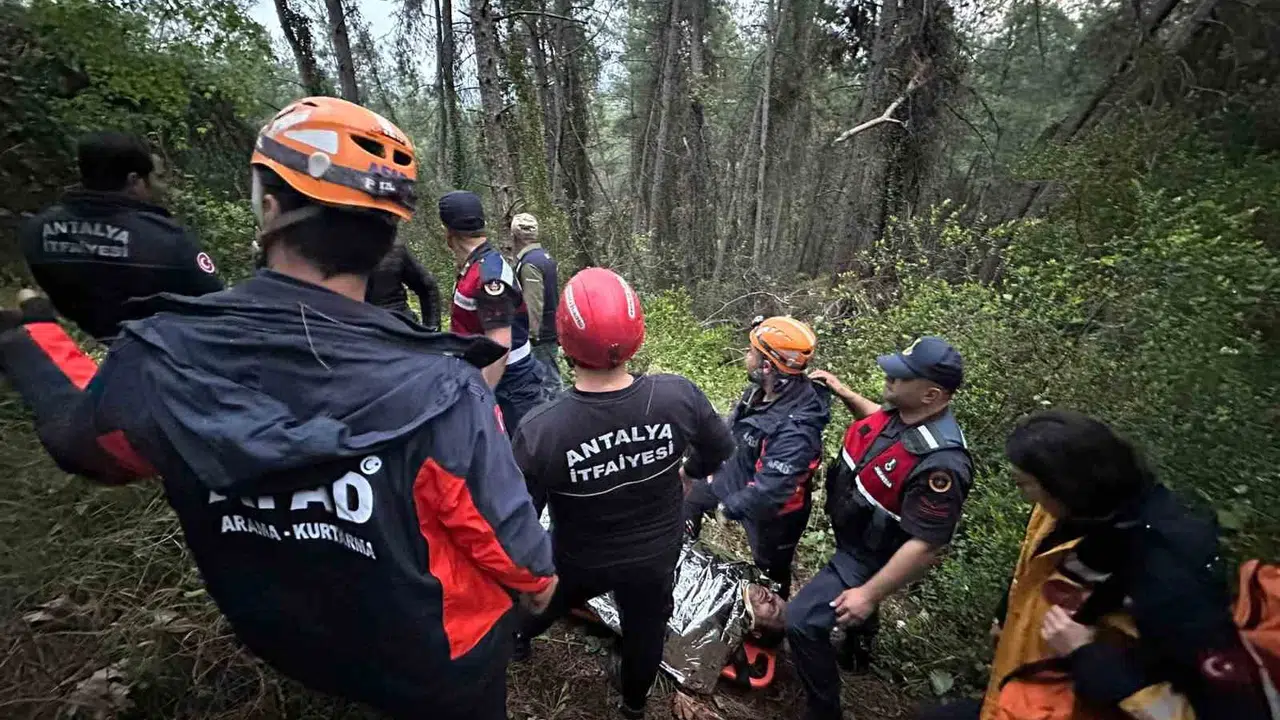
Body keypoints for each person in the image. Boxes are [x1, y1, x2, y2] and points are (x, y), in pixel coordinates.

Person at [0, 97, 556, 720]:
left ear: (269, 209)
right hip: (437, 655)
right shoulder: (444, 391)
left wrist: (30, 342)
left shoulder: (160, 360)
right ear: (387, 238)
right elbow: (506, 540)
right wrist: (540, 588)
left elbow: (86, 444)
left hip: (291, 641)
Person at [919, 410, 1273, 720]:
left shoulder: (1169, 575)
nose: (1022, 493)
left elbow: (1215, 708)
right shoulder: (1073, 512)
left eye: (1023, 484)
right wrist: (1005, 614)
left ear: (1063, 484)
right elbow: (1036, 569)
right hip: (1034, 695)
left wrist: (1086, 655)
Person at [511, 267, 736, 719]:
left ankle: (516, 639)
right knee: (646, 627)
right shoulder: (677, 396)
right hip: (655, 555)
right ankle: (634, 704)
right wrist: (689, 472)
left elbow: (521, 516)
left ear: (565, 340)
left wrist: (527, 571)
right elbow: (719, 448)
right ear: (636, 333)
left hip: (579, 556)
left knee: (554, 596)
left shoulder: (542, 430)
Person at [794, 336, 973, 720]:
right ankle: (857, 648)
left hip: (869, 556)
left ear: (931, 394)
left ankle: (824, 711)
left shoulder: (943, 464)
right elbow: (880, 424)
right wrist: (844, 392)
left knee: (802, 621)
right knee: (838, 612)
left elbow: (927, 544)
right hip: (856, 535)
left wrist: (869, 594)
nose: (889, 377)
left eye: (901, 376)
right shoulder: (906, 414)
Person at [19, 131, 223, 342]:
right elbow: (219, 306)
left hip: (98, 339)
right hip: (168, 348)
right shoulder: (168, 241)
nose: (164, 187)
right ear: (134, 180)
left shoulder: (37, 231)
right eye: (158, 177)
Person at [683, 316, 831, 599]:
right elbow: (737, 428)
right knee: (687, 500)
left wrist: (728, 508)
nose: (746, 355)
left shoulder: (797, 430)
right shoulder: (764, 389)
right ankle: (682, 566)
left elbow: (771, 491)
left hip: (774, 514)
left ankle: (773, 615)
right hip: (736, 474)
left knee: (770, 572)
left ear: (767, 366)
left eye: (751, 352)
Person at [440, 191, 550, 433]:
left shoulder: (489, 277)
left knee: (521, 450)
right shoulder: (475, 266)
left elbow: (499, 348)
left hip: (510, 386)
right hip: (489, 377)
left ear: (449, 233)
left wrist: (479, 400)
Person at [510, 212, 562, 392]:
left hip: (542, 334)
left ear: (515, 235)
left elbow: (534, 302)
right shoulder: (545, 257)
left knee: (548, 383)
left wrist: (532, 335)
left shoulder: (529, 264)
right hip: (550, 328)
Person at [364, 240, 441, 330]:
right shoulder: (394, 247)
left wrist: (431, 329)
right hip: (364, 324)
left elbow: (427, 287)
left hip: (397, 322)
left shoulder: (393, 248)